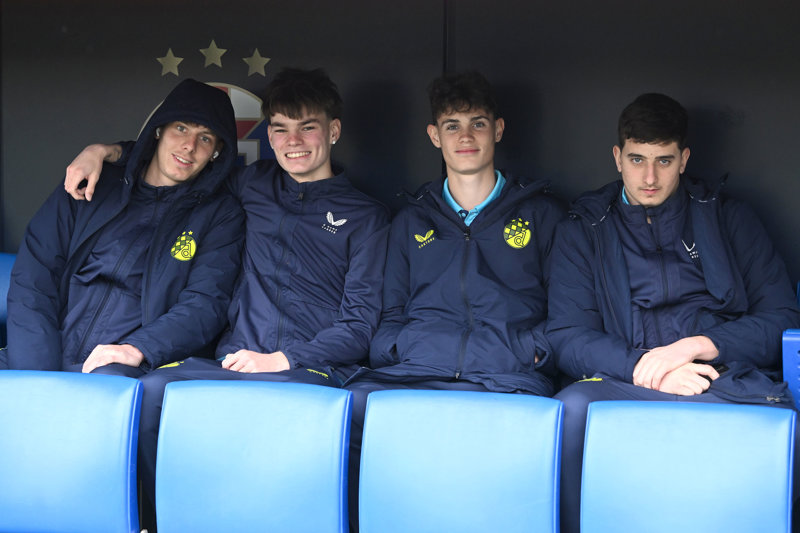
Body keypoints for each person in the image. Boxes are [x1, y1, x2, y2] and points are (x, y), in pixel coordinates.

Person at [64, 68, 390, 531]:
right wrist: (104, 151)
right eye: (281, 129)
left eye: (308, 127)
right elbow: (177, 160)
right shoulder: (249, 184)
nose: (293, 142)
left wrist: (282, 360)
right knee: (151, 391)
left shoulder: (368, 216)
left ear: (333, 131)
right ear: (268, 136)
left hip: (312, 367)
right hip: (232, 360)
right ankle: (151, 522)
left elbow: (359, 326)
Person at [546, 93, 800, 533]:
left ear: (683, 159)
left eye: (663, 161)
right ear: (617, 157)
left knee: (785, 420)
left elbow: (783, 318)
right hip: (626, 380)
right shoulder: (585, 227)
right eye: (637, 160)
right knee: (570, 409)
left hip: (721, 377)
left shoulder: (729, 218)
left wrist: (698, 346)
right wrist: (647, 368)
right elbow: (568, 335)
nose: (649, 177)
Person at [343, 71, 565, 528]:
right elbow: (389, 314)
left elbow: (565, 316)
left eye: (477, 124)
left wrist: (528, 351)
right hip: (416, 374)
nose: (465, 137)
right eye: (452, 126)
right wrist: (401, 349)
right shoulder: (410, 221)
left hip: (508, 377)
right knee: (347, 413)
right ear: (434, 135)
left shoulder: (543, 215)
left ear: (497, 130)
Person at [3, 79, 244, 376]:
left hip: (128, 365)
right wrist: (36, 372)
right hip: (45, 351)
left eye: (205, 138)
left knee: (106, 384)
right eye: (181, 128)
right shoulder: (94, 181)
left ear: (217, 151)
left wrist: (138, 349)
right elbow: (34, 276)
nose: (189, 146)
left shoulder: (219, 215)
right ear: (159, 129)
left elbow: (204, 304)